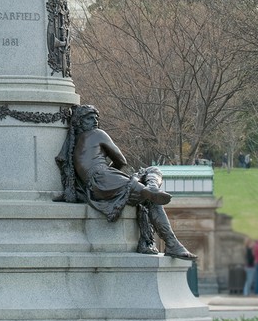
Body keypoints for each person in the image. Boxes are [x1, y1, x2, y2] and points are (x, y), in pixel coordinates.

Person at [55, 104, 196, 260]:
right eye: (90, 118)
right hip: (104, 177)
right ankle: (171, 240)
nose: (95, 121)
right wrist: (115, 174)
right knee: (152, 176)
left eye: (96, 118)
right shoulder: (97, 134)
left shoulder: (73, 143)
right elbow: (121, 161)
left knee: (147, 183)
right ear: (80, 122)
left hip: (94, 187)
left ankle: (150, 188)